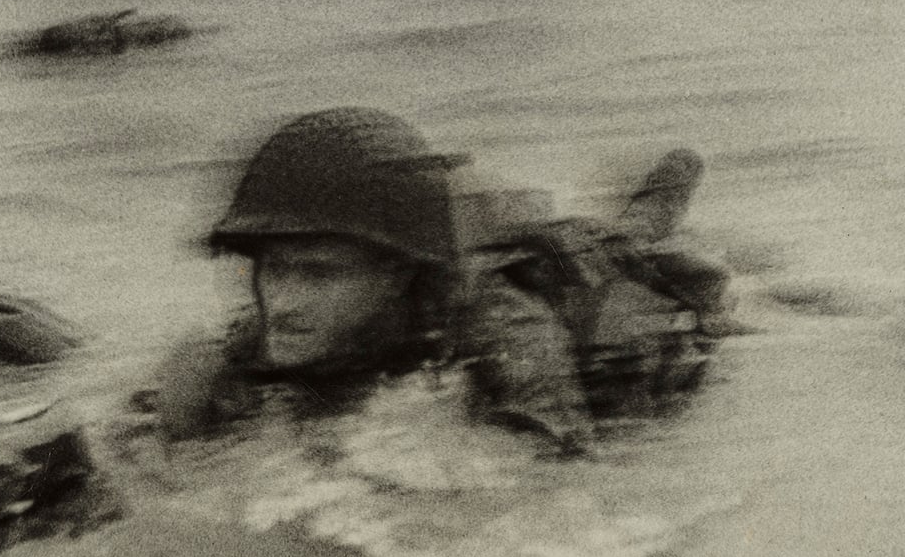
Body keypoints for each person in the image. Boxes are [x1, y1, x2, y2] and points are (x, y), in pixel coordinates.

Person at [131, 107, 733, 457]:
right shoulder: (262, 334)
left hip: (602, 319)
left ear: (396, 270)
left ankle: (662, 198)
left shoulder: (504, 329)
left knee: (630, 250)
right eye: (272, 268)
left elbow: (560, 490)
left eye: (319, 273)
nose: (282, 302)